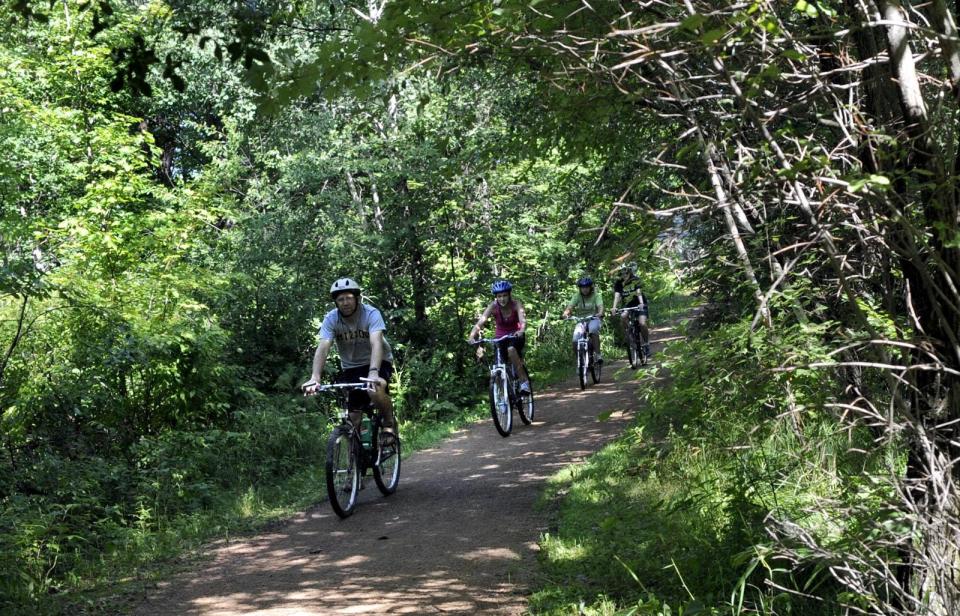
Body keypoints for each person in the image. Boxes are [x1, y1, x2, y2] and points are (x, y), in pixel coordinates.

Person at [302, 277, 397, 443]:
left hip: (379, 361)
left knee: (374, 389)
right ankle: (358, 458)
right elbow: (324, 346)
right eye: (341, 299)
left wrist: (374, 373)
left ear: (357, 298)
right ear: (336, 302)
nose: (345, 302)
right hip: (352, 366)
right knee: (354, 417)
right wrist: (315, 377)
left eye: (349, 298)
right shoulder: (331, 319)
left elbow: (376, 343)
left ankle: (389, 423)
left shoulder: (371, 314)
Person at [468, 280, 531, 392]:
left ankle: (523, 382)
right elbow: (480, 322)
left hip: (515, 336)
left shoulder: (516, 304)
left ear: (509, 295)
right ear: (496, 297)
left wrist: (521, 330)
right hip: (500, 337)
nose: (502, 299)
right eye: (499, 296)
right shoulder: (493, 306)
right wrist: (472, 336)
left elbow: (523, 320)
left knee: (511, 350)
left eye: (505, 295)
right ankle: (501, 395)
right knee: (498, 365)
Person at [610, 262, 651, 358]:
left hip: (639, 304)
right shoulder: (618, 283)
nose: (624, 275)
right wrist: (614, 307)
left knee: (642, 323)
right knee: (623, 316)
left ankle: (646, 344)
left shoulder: (636, 280)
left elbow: (638, 292)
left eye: (626, 273)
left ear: (629, 272)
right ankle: (630, 335)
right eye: (622, 273)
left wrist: (641, 303)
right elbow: (617, 296)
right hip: (627, 304)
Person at [562, 276, 604, 362]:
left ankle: (598, 354)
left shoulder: (596, 296)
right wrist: (565, 314)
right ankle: (579, 361)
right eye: (582, 287)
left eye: (587, 287)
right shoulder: (577, 296)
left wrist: (600, 313)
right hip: (581, 320)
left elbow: (600, 306)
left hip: (593, 318)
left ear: (590, 287)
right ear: (580, 288)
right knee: (575, 340)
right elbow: (570, 307)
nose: (585, 289)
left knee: (593, 330)